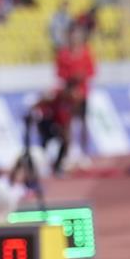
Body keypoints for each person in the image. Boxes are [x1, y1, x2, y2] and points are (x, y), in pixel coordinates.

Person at [55, 23, 96, 162]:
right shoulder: (63, 54)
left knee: (83, 121)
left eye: (77, 35)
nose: (75, 38)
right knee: (67, 123)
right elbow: (60, 73)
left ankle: (84, 153)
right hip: (68, 94)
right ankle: (69, 152)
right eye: (72, 35)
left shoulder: (86, 52)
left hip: (82, 93)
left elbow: (91, 71)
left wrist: (81, 78)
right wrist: (71, 81)